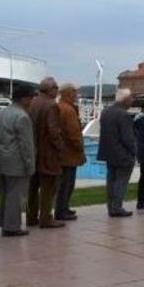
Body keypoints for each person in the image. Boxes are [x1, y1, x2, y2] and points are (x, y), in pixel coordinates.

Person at [0, 85, 36, 236]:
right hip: (16, 162)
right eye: (30, 97)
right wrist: (30, 165)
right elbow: (26, 145)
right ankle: (12, 227)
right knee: (15, 196)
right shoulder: (22, 117)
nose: (32, 100)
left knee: (4, 194)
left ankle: (4, 222)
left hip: (1, 160)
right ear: (23, 98)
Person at [27, 77, 67, 228]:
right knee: (48, 188)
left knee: (32, 187)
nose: (58, 90)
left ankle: (31, 217)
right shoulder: (51, 105)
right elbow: (54, 131)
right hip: (48, 153)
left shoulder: (33, 103)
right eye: (56, 87)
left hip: (34, 151)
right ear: (50, 89)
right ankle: (45, 218)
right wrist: (61, 148)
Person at [97, 88, 136, 217]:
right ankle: (117, 207)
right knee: (121, 181)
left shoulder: (106, 112)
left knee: (111, 180)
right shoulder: (123, 115)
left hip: (109, 153)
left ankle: (111, 207)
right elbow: (128, 138)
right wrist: (134, 151)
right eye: (131, 98)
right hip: (122, 154)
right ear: (125, 100)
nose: (132, 101)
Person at [55, 83, 86, 221]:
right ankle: (62, 210)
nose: (76, 95)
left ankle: (63, 208)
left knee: (64, 183)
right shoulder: (68, 110)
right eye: (74, 92)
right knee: (67, 183)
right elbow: (74, 133)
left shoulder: (59, 107)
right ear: (68, 93)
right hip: (69, 153)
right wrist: (80, 147)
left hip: (62, 152)